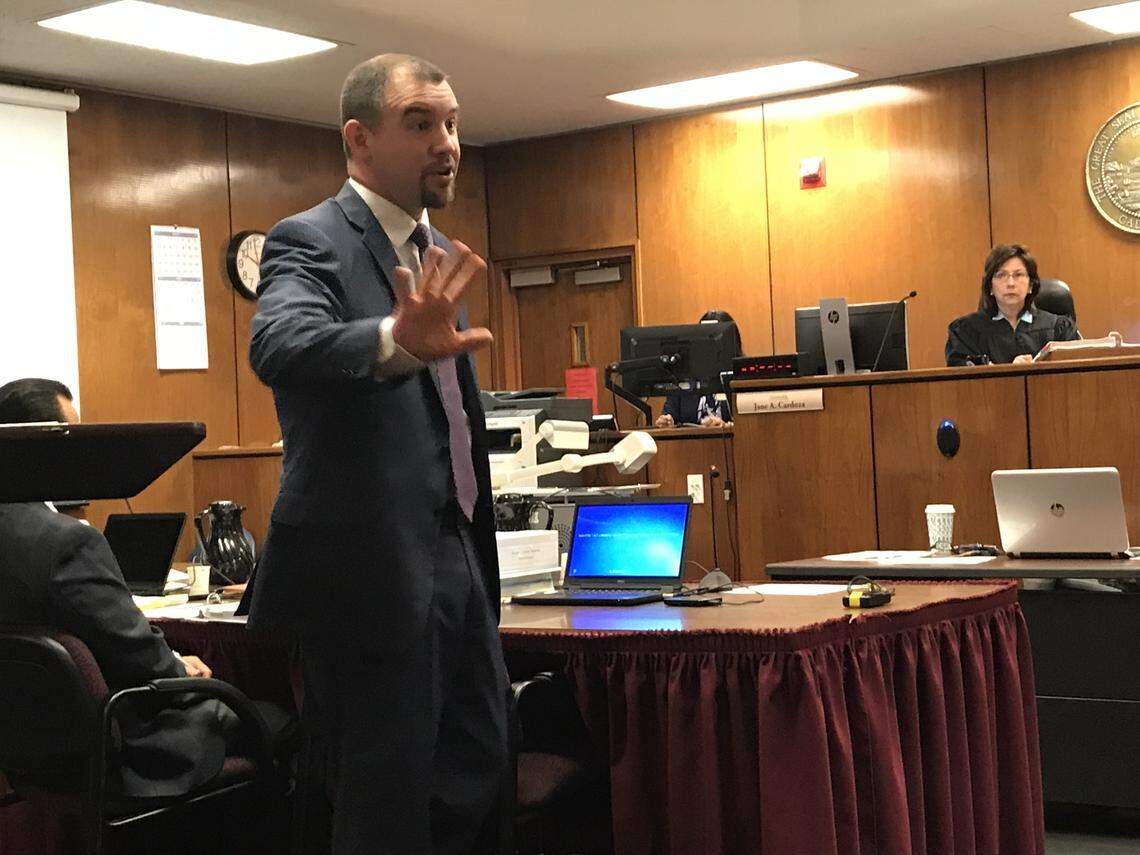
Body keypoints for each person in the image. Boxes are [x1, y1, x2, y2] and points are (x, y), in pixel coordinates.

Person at [247, 54, 508, 854]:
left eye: (452, 124)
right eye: (420, 124)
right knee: (384, 806)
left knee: (477, 779)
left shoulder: (437, 251)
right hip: (369, 573)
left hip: (459, 550)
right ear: (359, 140)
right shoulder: (311, 240)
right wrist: (394, 338)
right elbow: (280, 343)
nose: (447, 143)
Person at [0, 378, 233, 798]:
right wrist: (180, 668)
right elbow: (142, 659)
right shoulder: (66, 541)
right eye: (74, 437)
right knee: (272, 719)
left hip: (27, 756)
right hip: (121, 750)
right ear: (45, 445)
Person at [945, 244, 1080, 366]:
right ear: (990, 287)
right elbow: (962, 378)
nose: (1010, 283)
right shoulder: (965, 332)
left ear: (1031, 285)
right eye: (1001, 275)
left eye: (1018, 275)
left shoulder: (1059, 329)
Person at [655, 310, 742, 428]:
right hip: (690, 440)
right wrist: (667, 421)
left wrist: (727, 426)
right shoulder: (683, 378)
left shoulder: (740, 376)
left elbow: (749, 422)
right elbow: (670, 414)